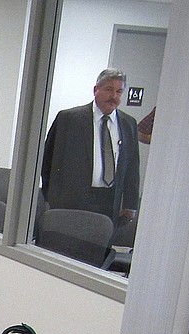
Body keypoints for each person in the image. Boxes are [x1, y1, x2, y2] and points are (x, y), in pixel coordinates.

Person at [41, 68, 140, 226]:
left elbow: (133, 167)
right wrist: (51, 197)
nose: (114, 96)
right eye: (108, 89)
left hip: (109, 202)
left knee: (98, 247)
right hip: (71, 202)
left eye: (119, 91)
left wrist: (130, 205)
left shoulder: (129, 124)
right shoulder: (69, 119)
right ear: (96, 90)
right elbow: (47, 160)